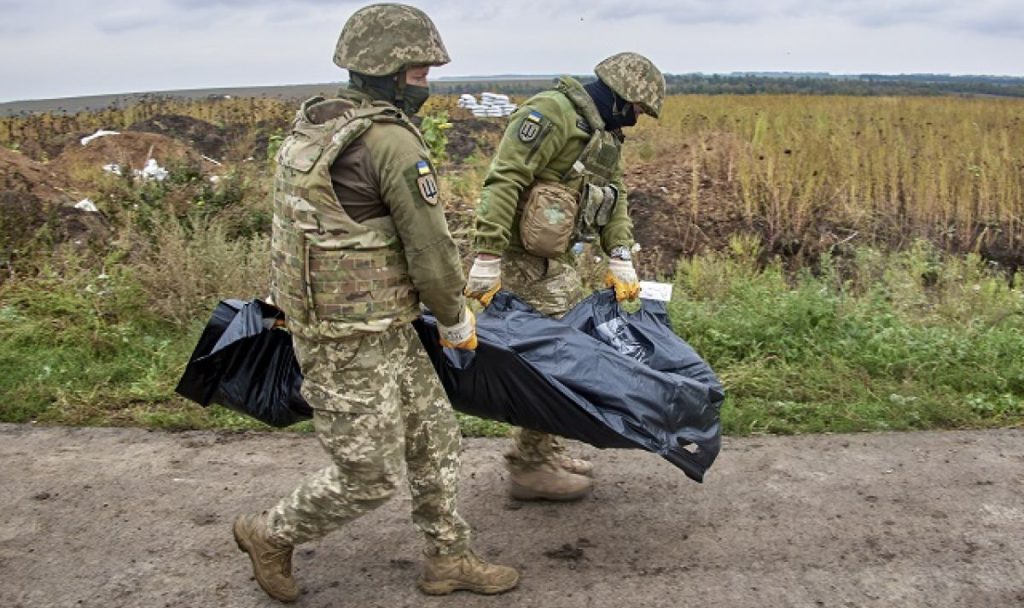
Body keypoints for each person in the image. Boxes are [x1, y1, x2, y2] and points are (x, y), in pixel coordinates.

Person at [231, 4, 519, 602]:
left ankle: (449, 558)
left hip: (377, 323)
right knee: (368, 477)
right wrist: (455, 318)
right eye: (418, 71)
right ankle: (269, 532)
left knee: (435, 436)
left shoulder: (318, 120)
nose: (426, 82)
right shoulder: (387, 140)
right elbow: (432, 249)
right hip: (345, 339)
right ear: (386, 70)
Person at [464, 52, 665, 501]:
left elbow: (615, 195)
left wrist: (619, 254)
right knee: (550, 357)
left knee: (559, 351)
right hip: (519, 259)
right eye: (636, 108)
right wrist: (487, 255)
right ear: (620, 95)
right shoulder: (550, 114)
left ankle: (542, 449)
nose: (636, 119)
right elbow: (504, 181)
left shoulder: (601, 133)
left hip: (553, 258)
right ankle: (530, 467)